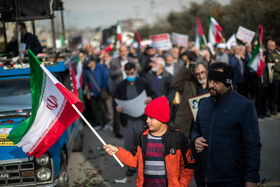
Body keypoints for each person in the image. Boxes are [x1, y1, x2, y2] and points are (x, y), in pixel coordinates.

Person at [190, 62, 261, 186]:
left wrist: (251, 179)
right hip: (205, 178)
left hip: (232, 180)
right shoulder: (203, 104)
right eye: (210, 80)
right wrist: (195, 138)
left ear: (227, 81)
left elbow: (252, 146)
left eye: (216, 81)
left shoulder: (244, 107)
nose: (211, 85)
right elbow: (196, 129)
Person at [104, 96, 195, 187]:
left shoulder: (178, 138)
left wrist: (182, 185)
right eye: (147, 117)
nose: (147, 121)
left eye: (151, 118)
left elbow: (188, 166)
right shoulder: (141, 137)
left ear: (162, 118)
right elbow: (134, 161)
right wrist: (117, 151)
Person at [114, 62, 157, 176]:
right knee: (128, 144)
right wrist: (117, 107)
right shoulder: (120, 86)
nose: (130, 75)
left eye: (131, 73)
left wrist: (150, 98)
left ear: (135, 71)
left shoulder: (143, 83)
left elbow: (153, 94)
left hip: (141, 119)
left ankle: (145, 166)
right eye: (127, 74)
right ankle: (131, 166)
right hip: (127, 120)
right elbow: (116, 100)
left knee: (143, 144)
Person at [170, 61, 208, 187]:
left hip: (208, 128)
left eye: (202, 73)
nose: (200, 76)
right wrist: (185, 68)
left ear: (206, 71)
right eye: (197, 74)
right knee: (196, 163)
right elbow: (174, 83)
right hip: (190, 128)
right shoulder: (189, 84)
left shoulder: (213, 85)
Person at [109, 45, 135, 138]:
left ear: (127, 51)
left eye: (124, 51)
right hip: (118, 90)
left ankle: (130, 129)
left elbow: (137, 73)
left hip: (130, 89)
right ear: (119, 52)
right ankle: (118, 131)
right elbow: (111, 74)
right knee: (118, 112)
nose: (123, 53)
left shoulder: (132, 60)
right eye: (121, 51)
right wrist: (121, 70)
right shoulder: (113, 61)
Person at [83, 54, 109, 128]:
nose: (88, 65)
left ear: (93, 61)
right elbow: (85, 82)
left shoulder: (100, 67)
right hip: (92, 92)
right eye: (87, 63)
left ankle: (105, 123)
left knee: (102, 107)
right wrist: (87, 92)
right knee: (94, 109)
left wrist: (103, 87)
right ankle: (97, 123)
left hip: (101, 90)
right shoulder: (86, 70)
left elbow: (106, 77)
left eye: (89, 63)